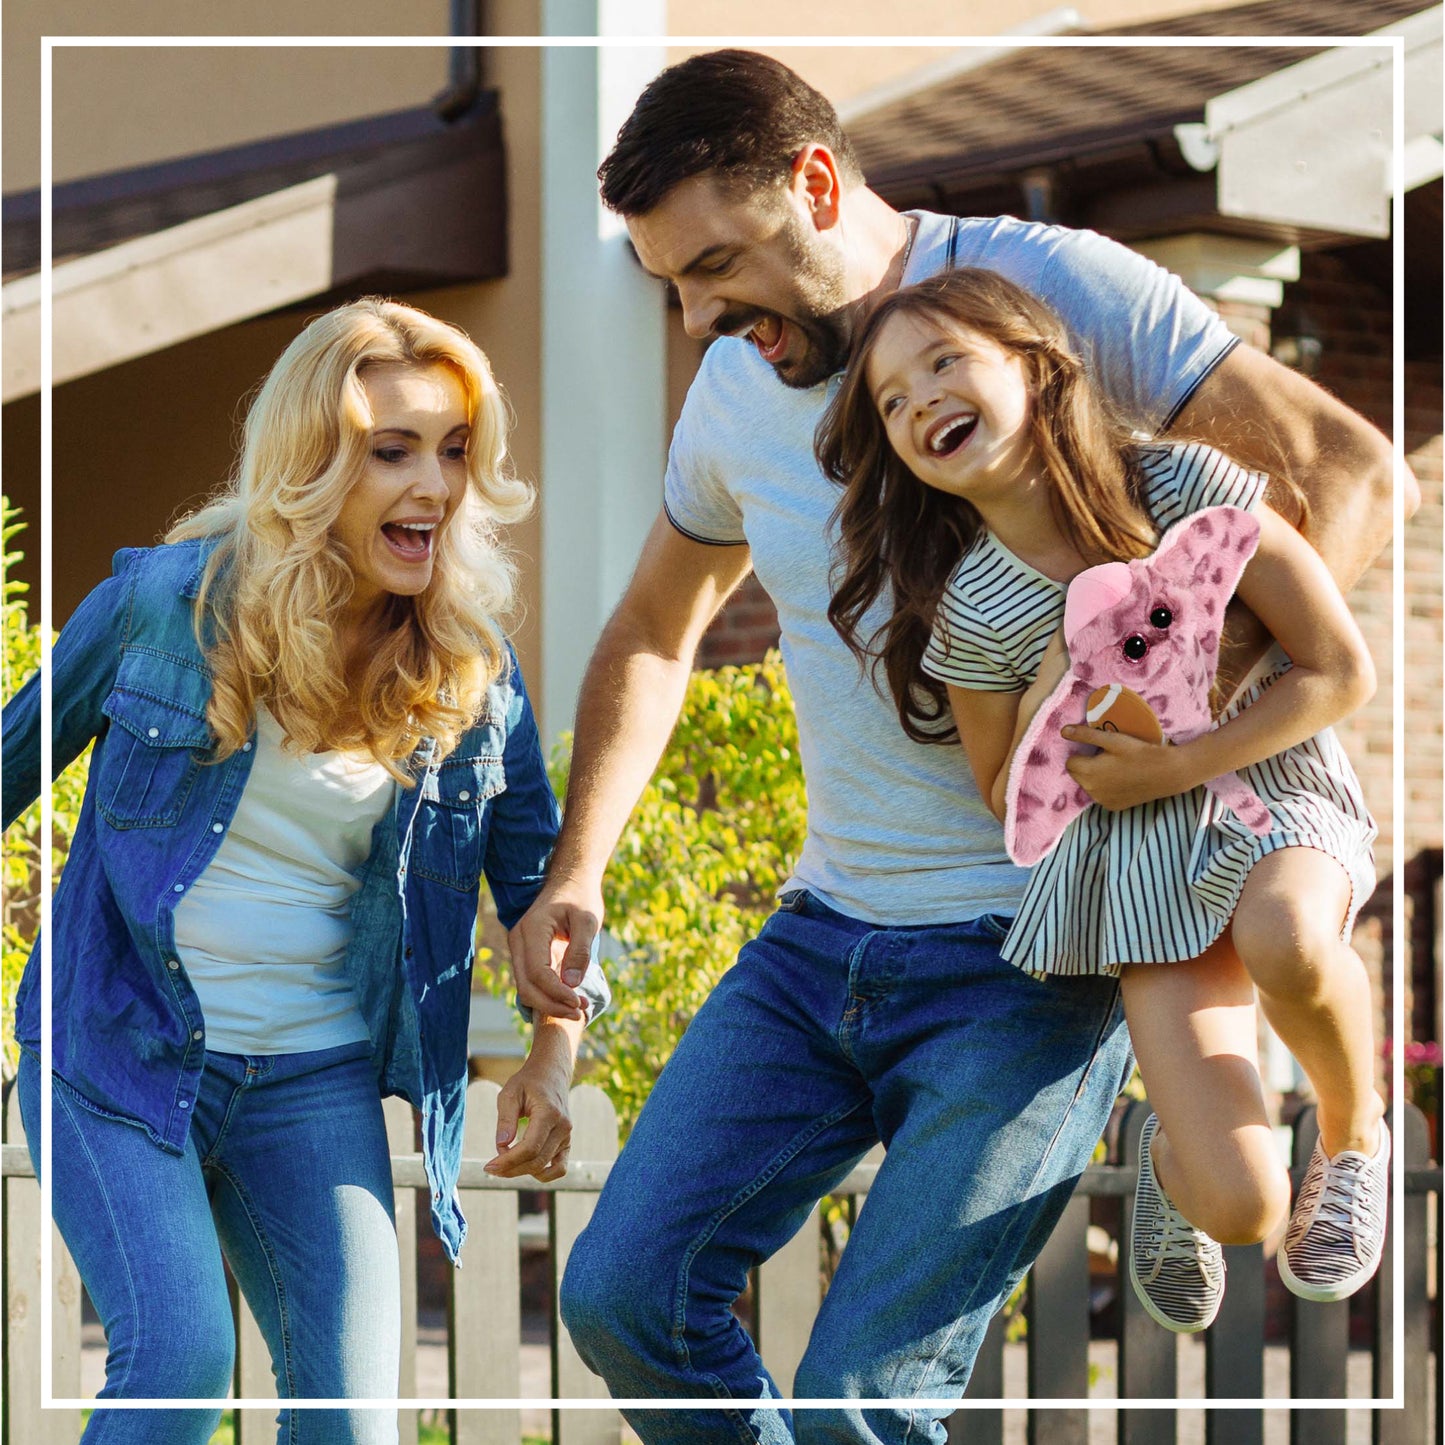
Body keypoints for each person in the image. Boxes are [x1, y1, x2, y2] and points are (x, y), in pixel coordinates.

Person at [509, 49, 1409, 1443]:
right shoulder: (740, 390)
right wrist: (579, 868)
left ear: (814, 183)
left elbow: (1341, 465)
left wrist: (1189, 715)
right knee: (625, 1294)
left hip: (1030, 959)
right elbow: (649, 629)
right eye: (670, 286)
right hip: (821, 939)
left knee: (861, 1405)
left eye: (712, 265)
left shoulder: (1046, 290)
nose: (694, 315)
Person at [1, 297, 608, 1445]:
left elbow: (544, 891)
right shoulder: (158, 610)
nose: (431, 484)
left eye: (452, 450)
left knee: (352, 1422)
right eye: (392, 451)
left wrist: (553, 1054)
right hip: (117, 1047)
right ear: (314, 462)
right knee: (179, 1361)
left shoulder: (473, 670)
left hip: (311, 1080)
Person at [819, 267, 1387, 1336]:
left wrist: (1182, 758)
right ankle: (1171, 1161)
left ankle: (1356, 1134)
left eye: (943, 360)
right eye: (890, 401)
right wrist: (1045, 688)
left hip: (1265, 795)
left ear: (1034, 366)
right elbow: (1007, 796)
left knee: (1282, 931)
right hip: (1134, 867)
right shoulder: (976, 612)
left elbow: (1335, 669)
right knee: (1241, 1203)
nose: (917, 400)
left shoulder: (1179, 487)